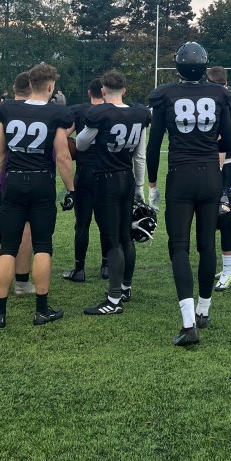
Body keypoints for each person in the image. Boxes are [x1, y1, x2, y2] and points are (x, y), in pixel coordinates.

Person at [147, 42, 231, 347]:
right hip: (211, 174)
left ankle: (188, 324)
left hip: (181, 175)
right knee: (206, 245)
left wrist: (152, 185)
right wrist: (209, 143)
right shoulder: (219, 94)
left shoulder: (166, 95)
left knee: (179, 247)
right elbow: (230, 142)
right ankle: (204, 310)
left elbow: (153, 146)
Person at [0, 63, 75, 328]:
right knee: (43, 245)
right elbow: (63, 157)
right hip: (42, 182)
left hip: (13, 181)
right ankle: (41, 310)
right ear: (50, 86)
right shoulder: (57, 113)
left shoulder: (7, 109)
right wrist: (71, 190)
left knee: (8, 248)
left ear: (29, 84)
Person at [76, 71, 151, 315]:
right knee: (126, 236)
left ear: (103, 90)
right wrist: (139, 187)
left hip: (106, 180)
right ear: (125, 90)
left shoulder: (100, 113)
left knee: (112, 239)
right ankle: (125, 288)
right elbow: (140, 156)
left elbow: (81, 144)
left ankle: (114, 299)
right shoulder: (139, 113)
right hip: (127, 178)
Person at [0, 72, 35, 296]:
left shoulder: (2, 113)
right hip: (32, 175)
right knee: (26, 228)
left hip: (4, 176)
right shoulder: (41, 112)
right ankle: (22, 282)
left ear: (14, 88)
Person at [62, 77, 107, 283]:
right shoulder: (113, 111)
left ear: (89, 93)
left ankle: (79, 269)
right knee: (107, 222)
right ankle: (107, 266)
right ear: (104, 92)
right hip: (107, 172)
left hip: (85, 172)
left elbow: (63, 135)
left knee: (82, 223)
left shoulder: (80, 111)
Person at [207, 65, 231, 291]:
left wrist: (218, 167)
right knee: (223, 217)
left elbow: (223, 138)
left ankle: (229, 270)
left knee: (222, 216)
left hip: (226, 164)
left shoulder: (225, 102)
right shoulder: (229, 99)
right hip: (228, 162)